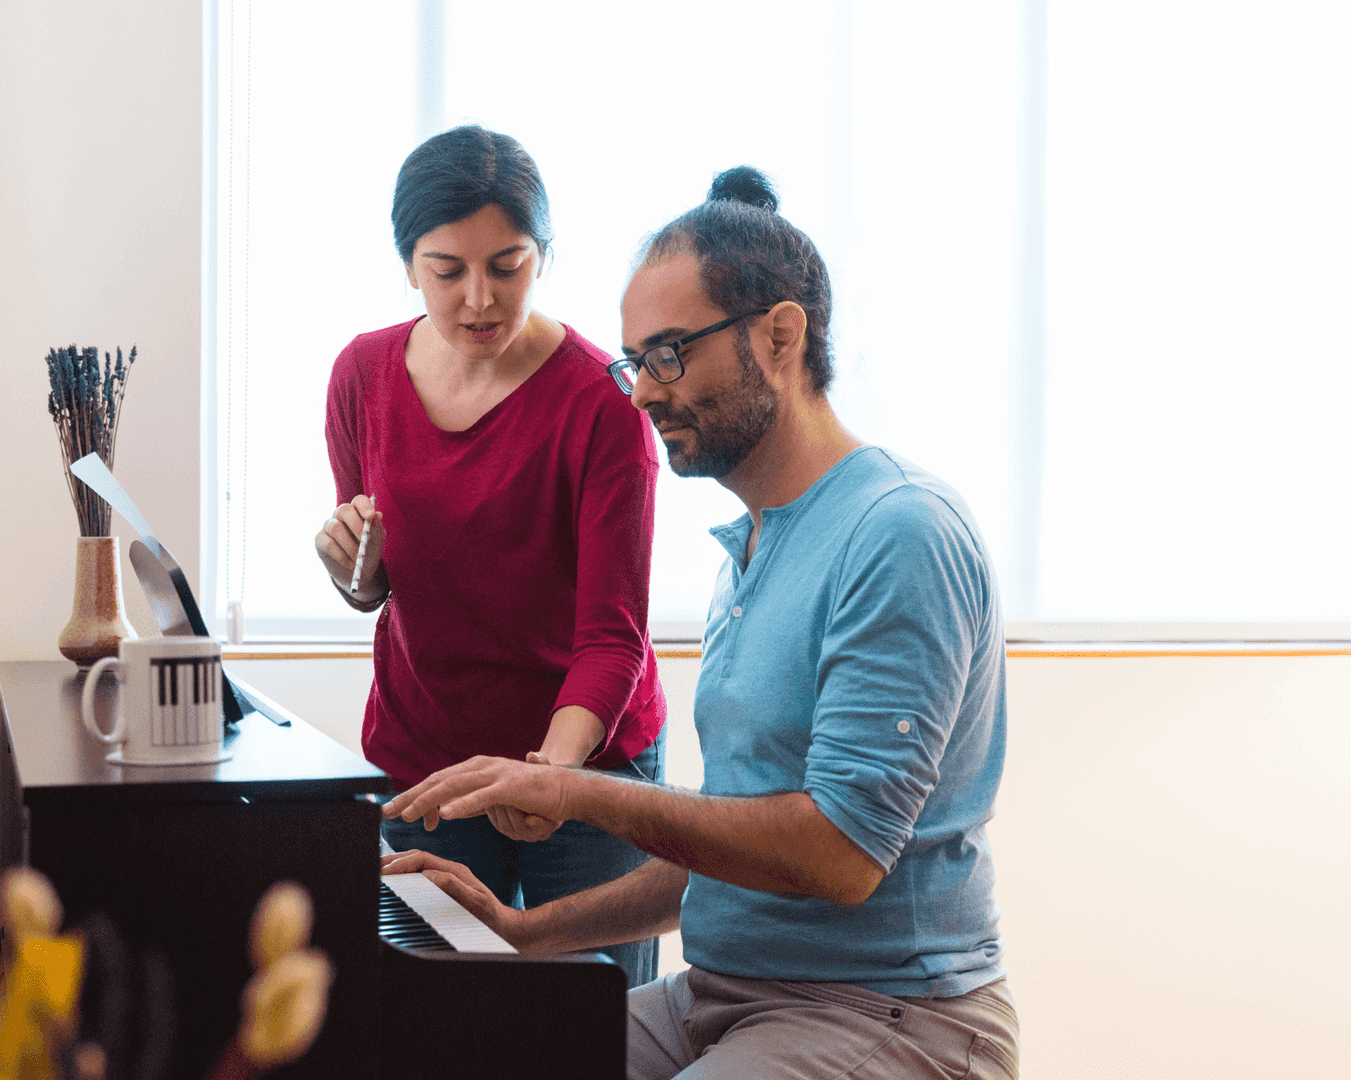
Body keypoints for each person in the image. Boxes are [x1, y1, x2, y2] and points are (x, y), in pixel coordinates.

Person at [381, 167, 1018, 1079]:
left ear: (781, 336)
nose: (640, 392)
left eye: (669, 354)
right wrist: (522, 933)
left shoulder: (898, 532)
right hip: (723, 995)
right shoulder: (753, 549)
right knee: (462, 1054)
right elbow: (725, 851)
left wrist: (577, 791)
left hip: (889, 1012)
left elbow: (837, 856)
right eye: (634, 360)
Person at [314, 125, 667, 988]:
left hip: (581, 772)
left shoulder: (603, 404)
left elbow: (612, 640)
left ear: (543, 256)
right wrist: (355, 571)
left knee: (591, 1027)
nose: (479, 298)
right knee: (437, 1027)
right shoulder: (362, 376)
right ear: (408, 266)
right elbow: (383, 591)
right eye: (448, 271)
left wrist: (550, 777)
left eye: (506, 266)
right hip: (427, 765)